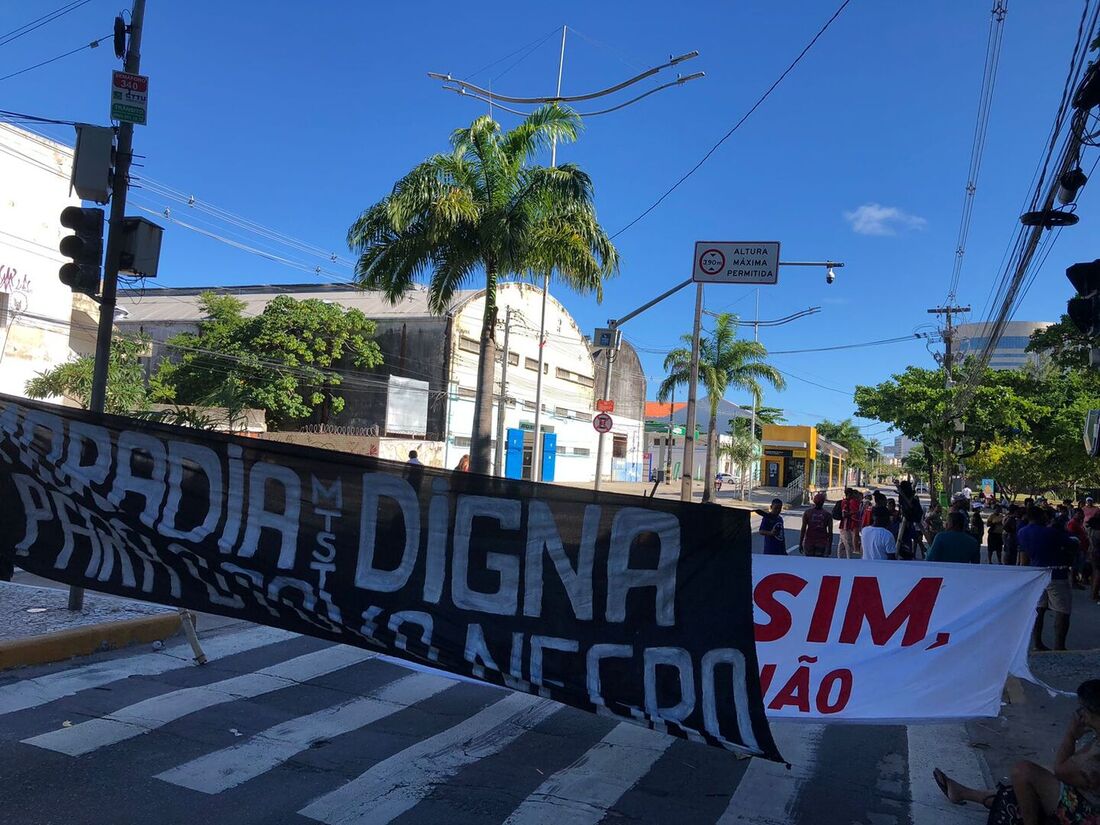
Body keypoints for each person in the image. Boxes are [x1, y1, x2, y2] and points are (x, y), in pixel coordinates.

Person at [932, 679, 1100, 825]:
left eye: (1084, 709)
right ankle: (964, 793)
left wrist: (1071, 735)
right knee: (1032, 781)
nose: (1080, 715)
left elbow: (1061, 770)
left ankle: (966, 794)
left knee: (1023, 773)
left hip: (1088, 815)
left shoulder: (1096, 753)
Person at [1018, 507, 1076, 652]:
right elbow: (1071, 543)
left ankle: (1037, 643)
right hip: (1056, 573)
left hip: (1037, 573)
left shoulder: (1022, 532)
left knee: (1039, 609)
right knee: (1062, 610)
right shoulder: (1050, 532)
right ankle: (1059, 645)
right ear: (1041, 516)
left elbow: (1024, 556)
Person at [897, 479, 925, 559]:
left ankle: (915, 550)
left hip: (912, 517)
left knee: (911, 536)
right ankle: (912, 551)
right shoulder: (905, 495)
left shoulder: (909, 497)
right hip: (909, 518)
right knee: (909, 537)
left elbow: (910, 505)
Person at [800, 492, 833, 557]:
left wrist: (800, 542)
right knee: (819, 563)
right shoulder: (827, 515)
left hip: (809, 541)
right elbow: (830, 532)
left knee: (809, 562)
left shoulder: (807, 513)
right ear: (823, 502)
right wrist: (829, 546)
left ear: (814, 501)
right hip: (822, 542)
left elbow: (803, 529)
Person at [837, 488, 863, 559]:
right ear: (849, 494)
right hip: (845, 525)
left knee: (842, 543)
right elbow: (844, 514)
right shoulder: (846, 502)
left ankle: (840, 558)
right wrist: (854, 513)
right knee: (848, 544)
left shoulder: (846, 501)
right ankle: (849, 559)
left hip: (844, 525)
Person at [1088, 511, 1100, 604]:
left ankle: (1093, 592)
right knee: (1098, 574)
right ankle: (1094, 594)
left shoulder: (1091, 530)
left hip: (1092, 552)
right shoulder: (1098, 532)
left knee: (1094, 572)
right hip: (1098, 553)